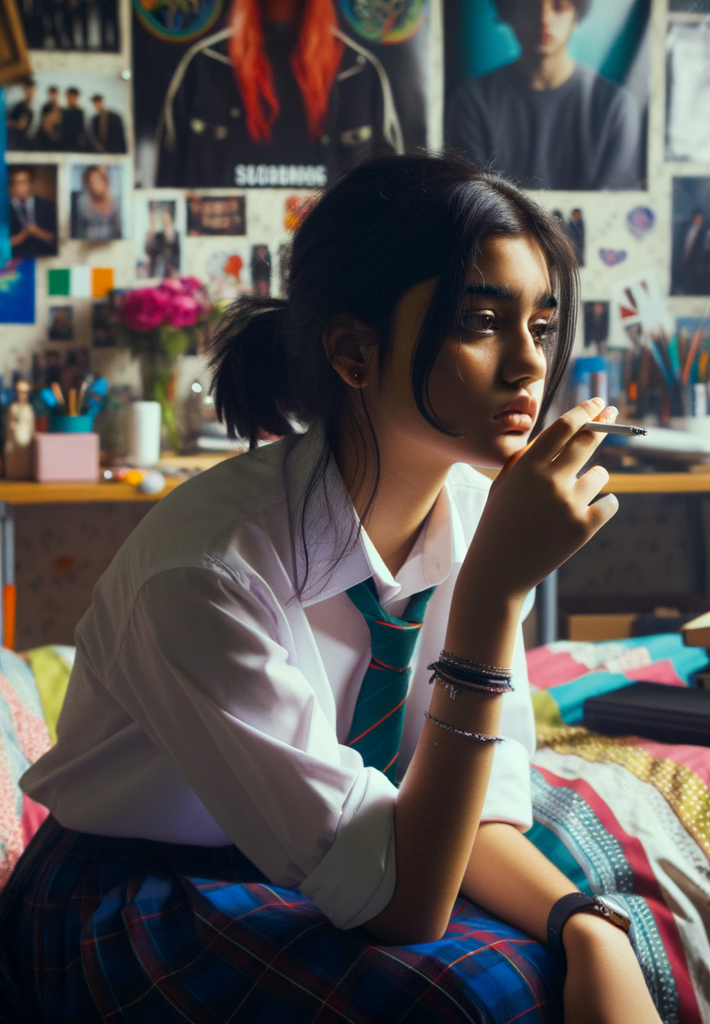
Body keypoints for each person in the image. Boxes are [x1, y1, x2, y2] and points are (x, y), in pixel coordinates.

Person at [0, 154, 662, 1023]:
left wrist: (587, 924)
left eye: (539, 326)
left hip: (362, 849)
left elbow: (470, 815)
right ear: (354, 351)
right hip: (141, 881)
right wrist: (494, 595)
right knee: (480, 998)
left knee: (574, 962)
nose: (528, 367)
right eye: (480, 321)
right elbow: (408, 905)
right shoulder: (208, 574)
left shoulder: (477, 514)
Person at [155, 0, 403, 188]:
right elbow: (166, 181)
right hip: (222, 248)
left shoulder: (357, 70)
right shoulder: (207, 64)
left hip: (330, 250)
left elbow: (390, 186)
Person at [445, 0, 644, 190]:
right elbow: (473, 199)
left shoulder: (615, 106)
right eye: (528, 7)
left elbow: (616, 205)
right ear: (508, 14)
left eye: (558, 6)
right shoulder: (472, 102)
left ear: (577, 14)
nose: (544, 20)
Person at [8, 166, 58, 258]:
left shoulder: (46, 205)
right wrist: (21, 236)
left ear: (31, 183)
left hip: (44, 259)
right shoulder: (5, 209)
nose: (20, 186)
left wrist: (38, 232)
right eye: (16, 182)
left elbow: (58, 239)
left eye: (24, 182)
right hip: (15, 261)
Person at [71, 164, 122, 240]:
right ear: (87, 184)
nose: (94, 186)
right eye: (91, 182)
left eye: (97, 181)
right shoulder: (82, 203)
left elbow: (119, 231)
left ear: (104, 181)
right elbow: (78, 232)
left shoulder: (115, 200)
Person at [142, 202, 180, 277]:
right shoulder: (156, 235)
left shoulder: (175, 235)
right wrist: (152, 230)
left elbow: (174, 255)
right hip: (156, 276)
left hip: (170, 276)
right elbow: (148, 251)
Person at [6, 79, 36, 150]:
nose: (31, 92)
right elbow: (20, 125)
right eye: (29, 89)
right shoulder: (20, 107)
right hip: (16, 145)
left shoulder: (28, 108)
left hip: (20, 144)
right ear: (25, 90)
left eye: (32, 90)